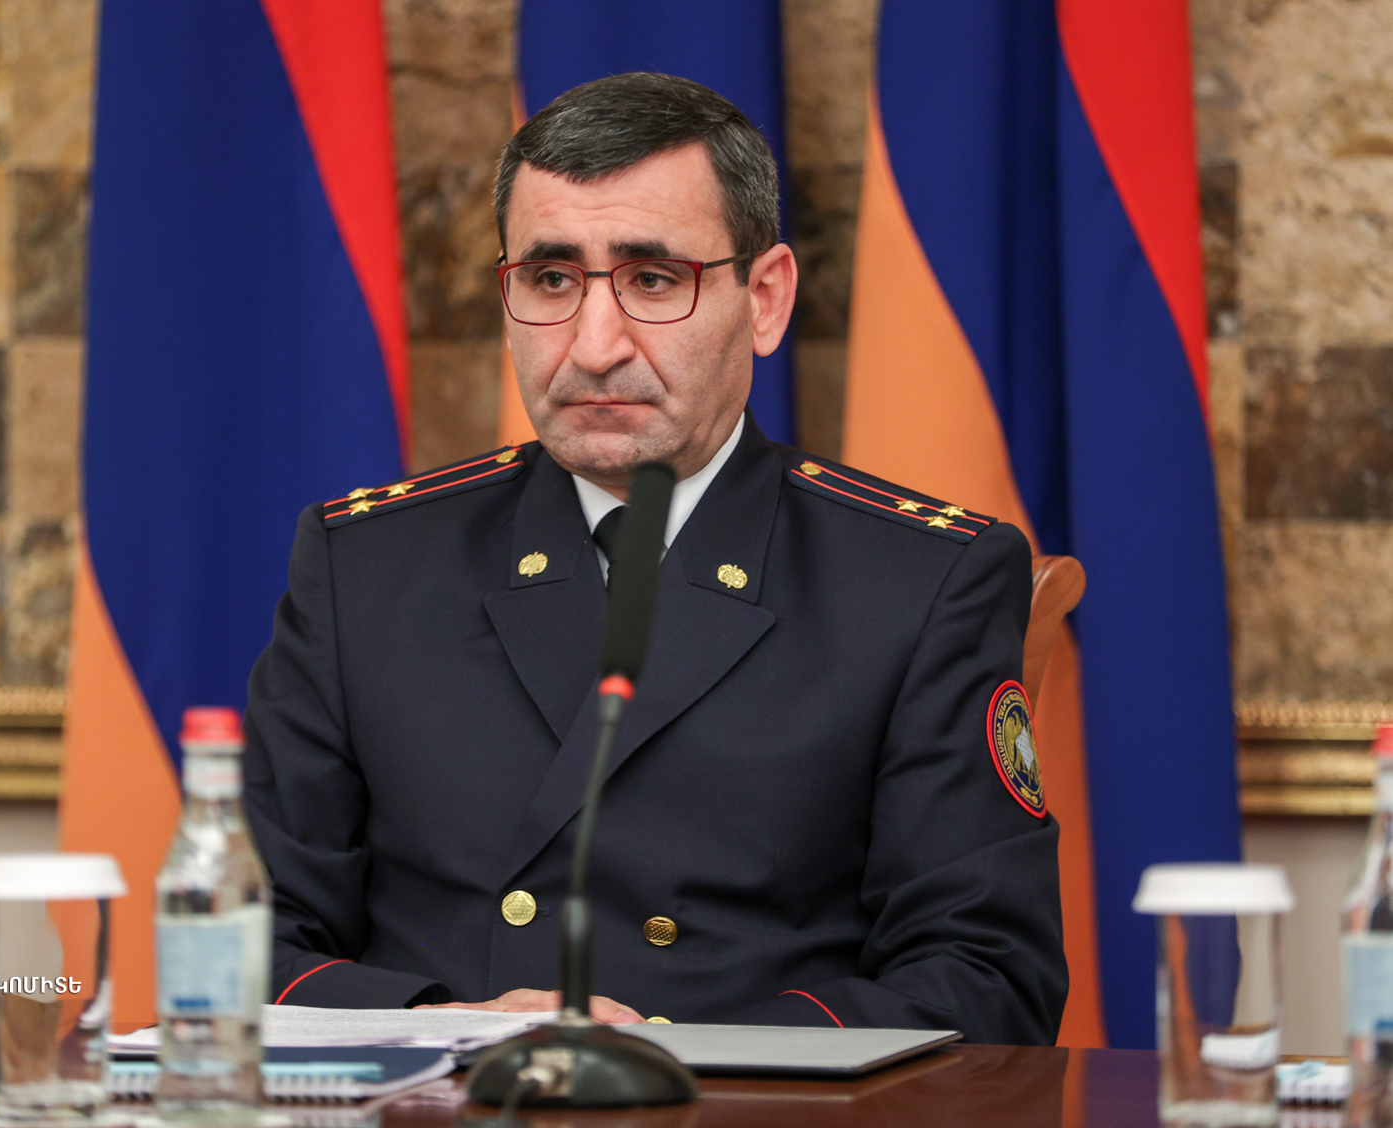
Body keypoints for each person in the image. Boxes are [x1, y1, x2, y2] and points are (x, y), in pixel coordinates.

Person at [242, 72, 1066, 1044]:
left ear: (765, 300)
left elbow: (985, 977)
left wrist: (684, 1065)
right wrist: (448, 1033)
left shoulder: (917, 582)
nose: (595, 347)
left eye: (653, 281)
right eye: (551, 281)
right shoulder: (366, 565)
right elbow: (242, 939)